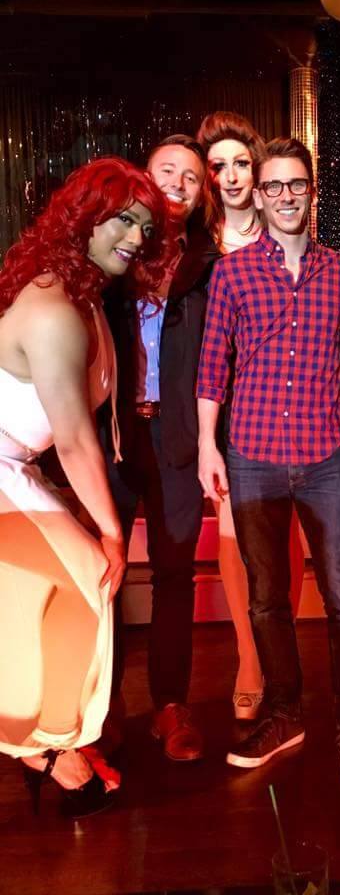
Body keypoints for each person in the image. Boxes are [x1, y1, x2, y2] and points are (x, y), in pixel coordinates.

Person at [196, 137, 340, 782]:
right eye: (272, 186)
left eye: (295, 184)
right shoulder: (232, 272)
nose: (284, 196)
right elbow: (212, 365)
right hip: (252, 454)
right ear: (259, 194)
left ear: (312, 191)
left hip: (326, 451)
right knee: (267, 598)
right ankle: (284, 713)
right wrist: (206, 445)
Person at [0, 157, 172, 816]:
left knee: (73, 592)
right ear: (82, 219)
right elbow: (73, 441)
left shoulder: (87, 296)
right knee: (89, 578)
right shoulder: (54, 309)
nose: (135, 237)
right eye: (122, 219)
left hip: (14, 464)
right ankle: (43, 748)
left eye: (145, 226)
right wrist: (110, 532)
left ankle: (53, 740)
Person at [101, 134, 209, 761]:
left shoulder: (207, 263)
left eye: (191, 177)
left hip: (177, 437)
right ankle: (103, 708)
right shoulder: (113, 249)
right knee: (106, 571)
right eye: (167, 171)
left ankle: (170, 705)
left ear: (201, 194)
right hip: (115, 435)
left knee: (174, 574)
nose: (178, 183)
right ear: (145, 177)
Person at [196, 111, 304, 722]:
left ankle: (278, 651)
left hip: (286, 413)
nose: (232, 176)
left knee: (283, 540)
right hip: (225, 413)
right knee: (235, 538)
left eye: (242, 163)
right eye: (220, 167)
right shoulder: (196, 247)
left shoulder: (286, 232)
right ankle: (248, 657)